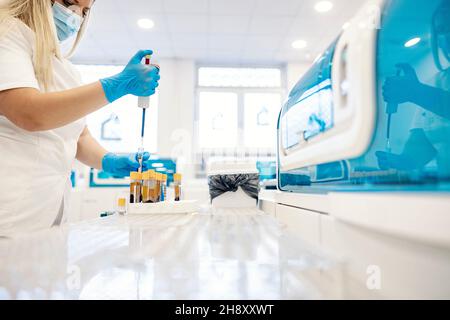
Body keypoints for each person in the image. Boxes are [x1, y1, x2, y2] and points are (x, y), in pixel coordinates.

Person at [0, 0, 160, 235]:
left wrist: (109, 161)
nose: (74, 16)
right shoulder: (7, 33)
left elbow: (78, 136)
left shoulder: (65, 68)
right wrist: (116, 86)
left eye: (84, 11)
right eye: (69, 3)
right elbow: (28, 113)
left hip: (47, 217)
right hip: (10, 214)